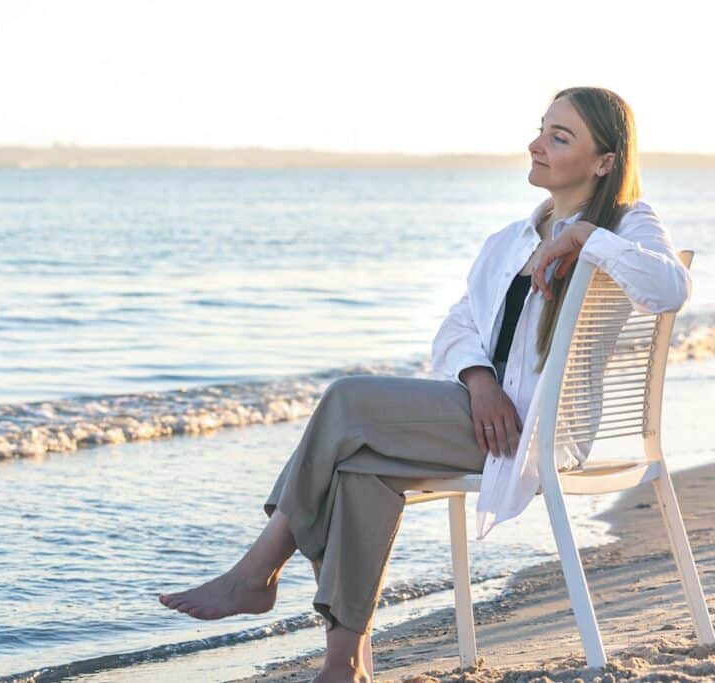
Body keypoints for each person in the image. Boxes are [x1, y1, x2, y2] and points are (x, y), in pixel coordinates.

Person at [158, 87, 692, 682]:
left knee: (345, 399)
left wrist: (583, 238)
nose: (536, 144)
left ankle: (257, 570)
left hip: (537, 434)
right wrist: (478, 378)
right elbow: (458, 323)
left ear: (605, 162)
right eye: (542, 129)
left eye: (559, 137)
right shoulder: (511, 240)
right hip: (484, 415)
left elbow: (670, 288)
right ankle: (343, 667)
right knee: (360, 467)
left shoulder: (630, 224)